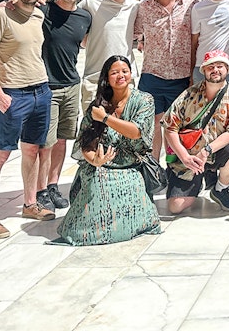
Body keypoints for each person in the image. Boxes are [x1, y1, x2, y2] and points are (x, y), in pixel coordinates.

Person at [0, 0, 54, 238]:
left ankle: (30, 203)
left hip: (41, 91)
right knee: (0, 153)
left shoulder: (38, 14)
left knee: (32, 150)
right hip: (13, 94)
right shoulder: (1, 14)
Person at [54, 55, 161, 245]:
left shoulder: (144, 100)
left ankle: (124, 228)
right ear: (106, 77)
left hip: (131, 166)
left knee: (128, 186)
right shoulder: (98, 106)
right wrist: (94, 160)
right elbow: (85, 142)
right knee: (98, 182)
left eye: (124, 71)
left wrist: (105, 118)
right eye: (114, 72)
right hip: (100, 166)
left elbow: (137, 132)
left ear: (130, 74)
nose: (120, 76)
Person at [162, 50, 229, 213]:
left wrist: (206, 151)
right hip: (190, 155)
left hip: (214, 151)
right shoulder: (190, 94)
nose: (215, 70)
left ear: (227, 70)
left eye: (220, 66)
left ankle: (220, 188)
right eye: (211, 67)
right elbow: (170, 127)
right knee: (175, 207)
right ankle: (198, 182)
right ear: (204, 71)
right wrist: (185, 157)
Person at [36, 0, 92, 212]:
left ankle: (53, 185)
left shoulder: (84, 17)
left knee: (61, 140)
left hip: (71, 84)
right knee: (45, 142)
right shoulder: (44, 10)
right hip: (47, 86)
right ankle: (39, 190)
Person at [134, 0, 200, 158]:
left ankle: (175, 168)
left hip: (181, 77)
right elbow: (135, 32)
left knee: (178, 126)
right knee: (153, 125)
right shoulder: (144, 6)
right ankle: (154, 167)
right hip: (152, 75)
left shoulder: (191, 2)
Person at [79, 0, 141, 112]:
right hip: (95, 79)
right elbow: (69, 14)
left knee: (122, 128)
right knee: (91, 129)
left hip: (124, 80)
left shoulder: (136, 7)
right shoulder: (92, 3)